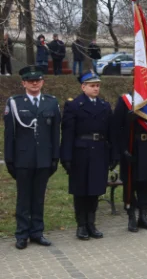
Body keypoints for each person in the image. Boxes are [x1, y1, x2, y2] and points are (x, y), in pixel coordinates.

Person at [3, 66, 61, 250]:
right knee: (23, 198)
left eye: (38, 80)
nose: (34, 83)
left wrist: (54, 157)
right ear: (24, 83)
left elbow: (55, 134)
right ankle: (22, 234)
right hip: (23, 160)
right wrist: (10, 160)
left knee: (38, 198)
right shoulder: (14, 103)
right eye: (30, 81)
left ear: (42, 82)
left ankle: (37, 232)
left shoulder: (51, 103)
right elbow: (9, 134)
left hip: (43, 159)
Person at [60, 70, 117, 240]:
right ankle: (81, 225)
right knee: (81, 191)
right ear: (83, 87)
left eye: (98, 85)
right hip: (80, 153)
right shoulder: (74, 106)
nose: (96, 88)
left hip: (99, 151)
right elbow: (68, 133)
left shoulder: (104, 106)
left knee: (95, 190)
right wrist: (67, 157)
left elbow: (111, 132)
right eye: (92, 85)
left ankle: (92, 223)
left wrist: (114, 154)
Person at [113, 92, 147, 232]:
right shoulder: (126, 100)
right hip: (132, 146)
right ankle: (131, 216)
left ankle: (143, 216)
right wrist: (123, 149)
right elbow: (116, 127)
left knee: (146, 184)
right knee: (131, 184)